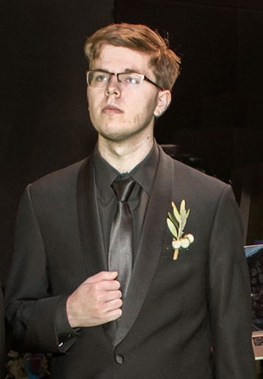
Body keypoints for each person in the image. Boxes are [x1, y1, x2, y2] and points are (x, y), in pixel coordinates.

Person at [5, 23, 255, 378]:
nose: (112, 89)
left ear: (162, 100)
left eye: (131, 78)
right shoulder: (42, 199)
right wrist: (68, 313)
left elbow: (233, 339)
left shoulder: (210, 201)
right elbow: (15, 319)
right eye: (101, 76)